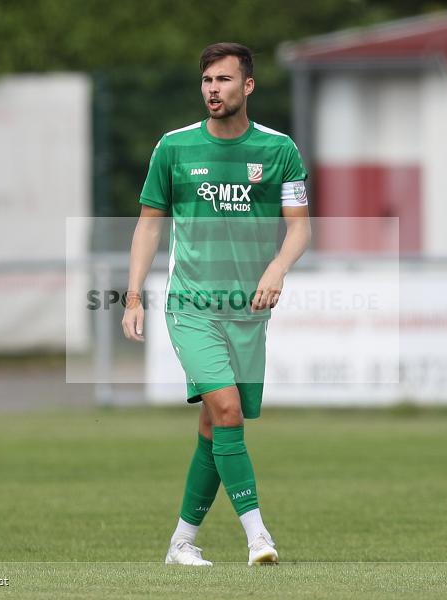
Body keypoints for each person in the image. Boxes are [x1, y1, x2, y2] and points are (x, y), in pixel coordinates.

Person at [121, 42, 311, 567]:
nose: (213, 89)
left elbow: (300, 230)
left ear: (247, 86)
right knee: (226, 410)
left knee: (214, 425)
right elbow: (148, 225)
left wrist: (276, 269)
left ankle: (181, 543)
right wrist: (133, 295)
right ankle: (258, 538)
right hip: (191, 306)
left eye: (224, 80)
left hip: (248, 312)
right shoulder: (174, 148)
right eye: (207, 81)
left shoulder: (279, 150)